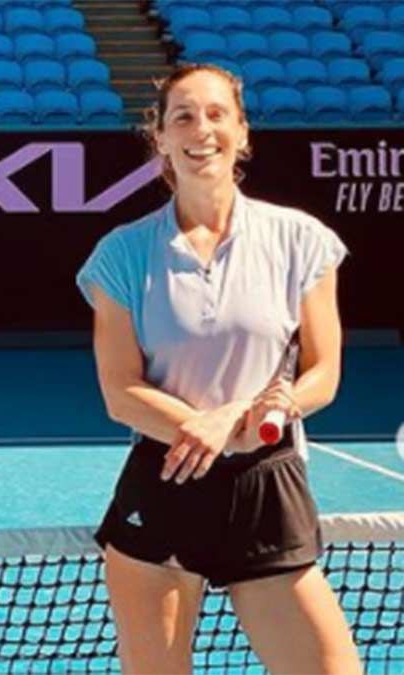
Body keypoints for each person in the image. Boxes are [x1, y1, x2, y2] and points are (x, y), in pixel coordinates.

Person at [75, 63, 361, 674]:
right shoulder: (122, 254)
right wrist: (207, 427)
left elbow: (322, 373)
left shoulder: (302, 240)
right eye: (182, 116)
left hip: (267, 485)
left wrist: (237, 419)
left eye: (216, 114)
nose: (200, 129)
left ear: (242, 131)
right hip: (164, 479)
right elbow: (121, 391)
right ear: (160, 139)